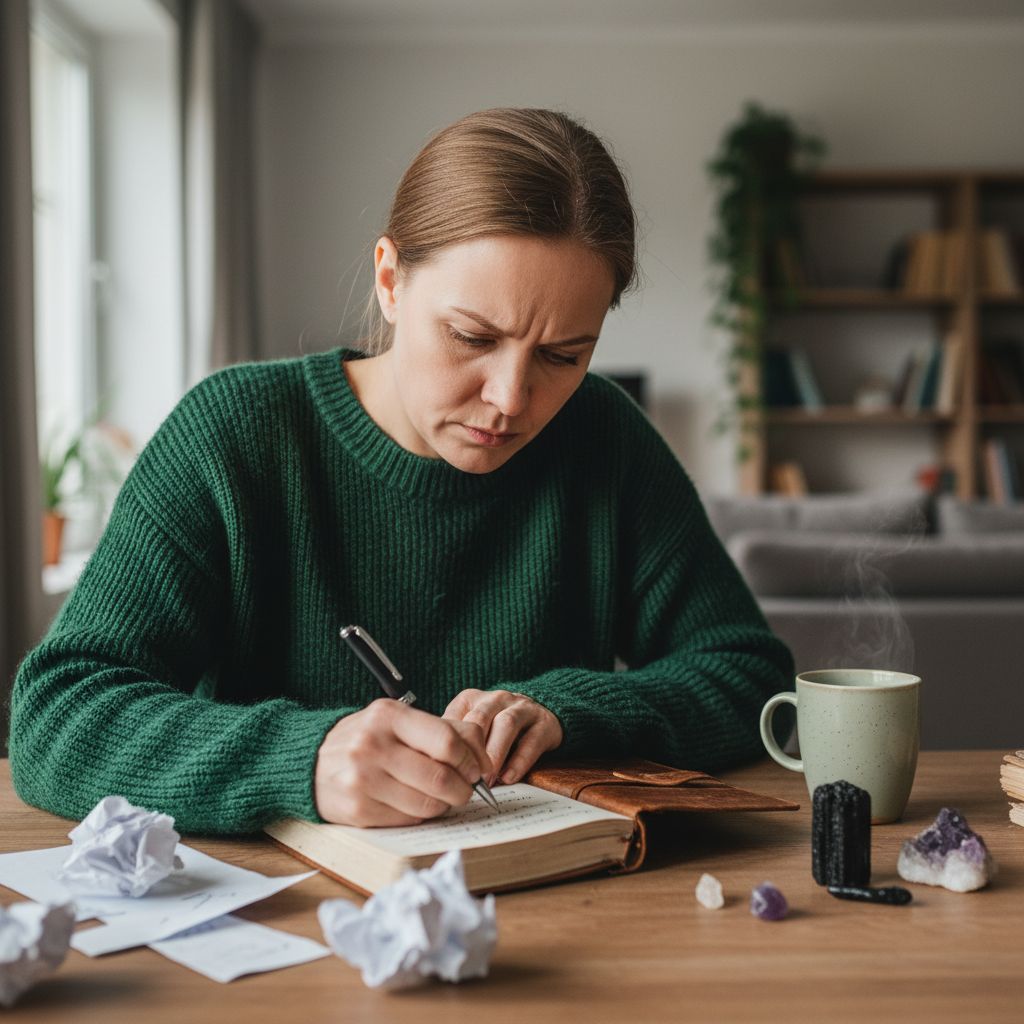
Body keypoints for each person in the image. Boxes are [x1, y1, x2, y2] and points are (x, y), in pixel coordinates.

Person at [10, 107, 793, 834]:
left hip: (563, 921)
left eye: (564, 356)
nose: (511, 399)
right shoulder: (234, 435)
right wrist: (305, 759)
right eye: (470, 336)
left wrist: (568, 711)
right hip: (271, 934)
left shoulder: (607, 439)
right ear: (390, 280)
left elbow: (750, 675)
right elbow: (56, 715)